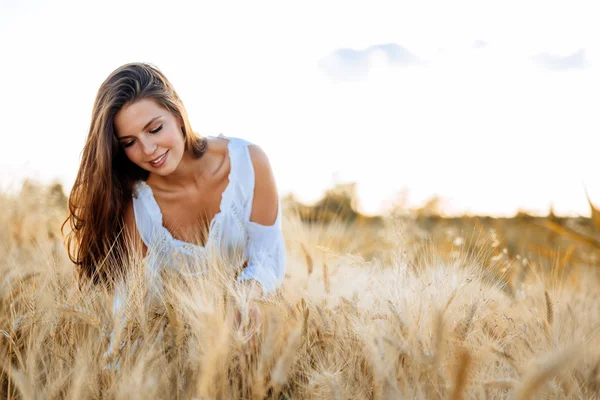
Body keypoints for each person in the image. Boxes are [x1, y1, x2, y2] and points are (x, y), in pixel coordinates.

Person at [63, 62, 286, 312]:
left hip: (253, 333)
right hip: (179, 344)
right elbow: (131, 304)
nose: (148, 150)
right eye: (129, 142)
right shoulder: (138, 205)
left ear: (178, 115)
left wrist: (243, 298)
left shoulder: (249, 162)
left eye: (155, 129)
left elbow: (267, 257)